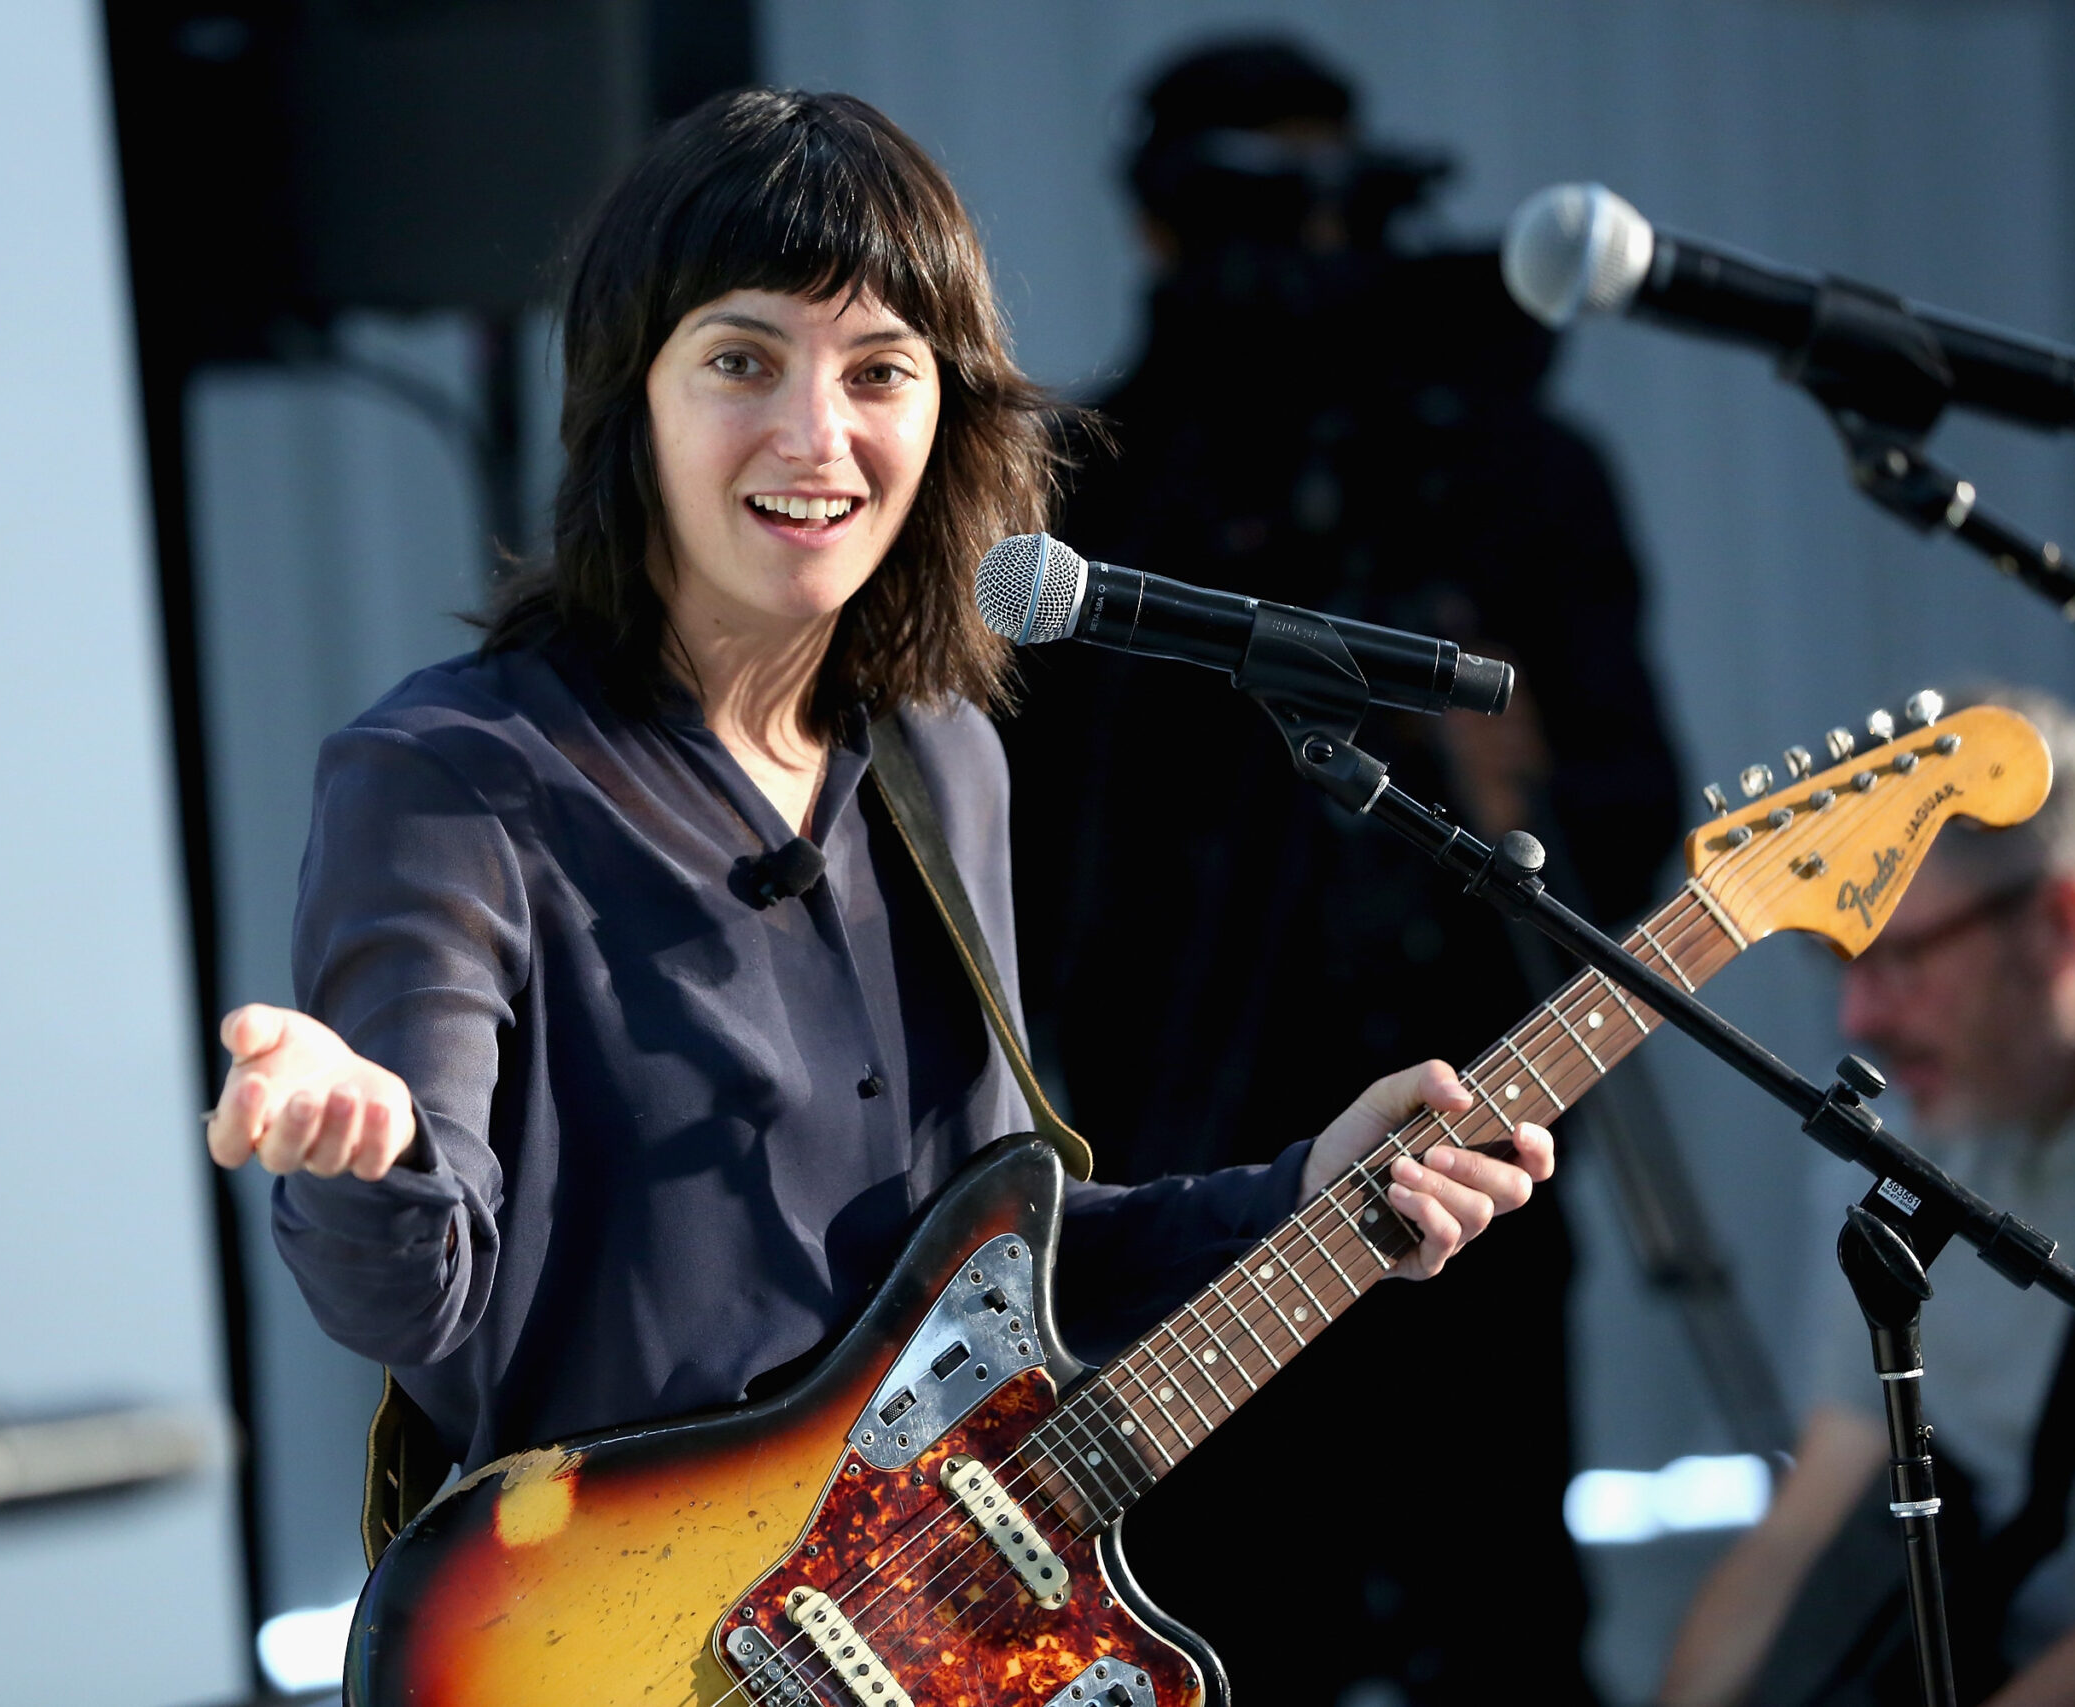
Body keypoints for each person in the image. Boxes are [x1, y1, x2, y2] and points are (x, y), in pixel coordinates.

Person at [196, 89, 1552, 1537]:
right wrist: (374, 1147)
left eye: (880, 371)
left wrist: (1302, 1189)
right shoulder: (450, 771)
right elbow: (413, 1294)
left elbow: (995, 1270)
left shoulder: (943, 752)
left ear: (947, 413)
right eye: (741, 359)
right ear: (627, 400)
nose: (815, 435)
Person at [1002, 37, 1682, 1704]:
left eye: (1315, 207)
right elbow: (1019, 867)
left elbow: (1629, 807)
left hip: (1474, 1144)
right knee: (1232, 1631)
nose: (1291, 259)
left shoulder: (1502, 477)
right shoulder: (1089, 501)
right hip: (1191, 1184)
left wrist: (1507, 760)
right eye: (1244, 207)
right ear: (1159, 227)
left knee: (1505, 1615)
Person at [1660, 686, 2075, 1707]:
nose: (1858, 1015)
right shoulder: (1945, 1103)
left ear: (2064, 923)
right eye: (1840, 964)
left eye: (1898, 958)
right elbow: (1812, 1512)